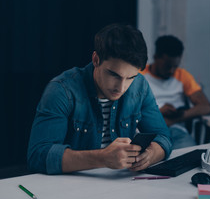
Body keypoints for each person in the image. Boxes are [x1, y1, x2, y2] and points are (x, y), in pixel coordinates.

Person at [27, 24, 172, 174]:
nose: (121, 88)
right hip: (71, 187)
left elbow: (163, 137)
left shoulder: (140, 86)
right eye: (114, 75)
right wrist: (102, 158)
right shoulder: (61, 90)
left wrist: (151, 155)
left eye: (130, 78)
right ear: (96, 59)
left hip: (123, 184)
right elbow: (38, 156)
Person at [140, 35, 210, 149]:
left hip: (176, 131)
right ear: (156, 57)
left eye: (175, 66)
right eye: (168, 66)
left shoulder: (182, 75)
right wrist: (158, 113)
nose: (171, 71)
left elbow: (205, 107)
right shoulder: (139, 75)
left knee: (189, 157)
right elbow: (129, 110)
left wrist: (177, 117)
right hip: (147, 130)